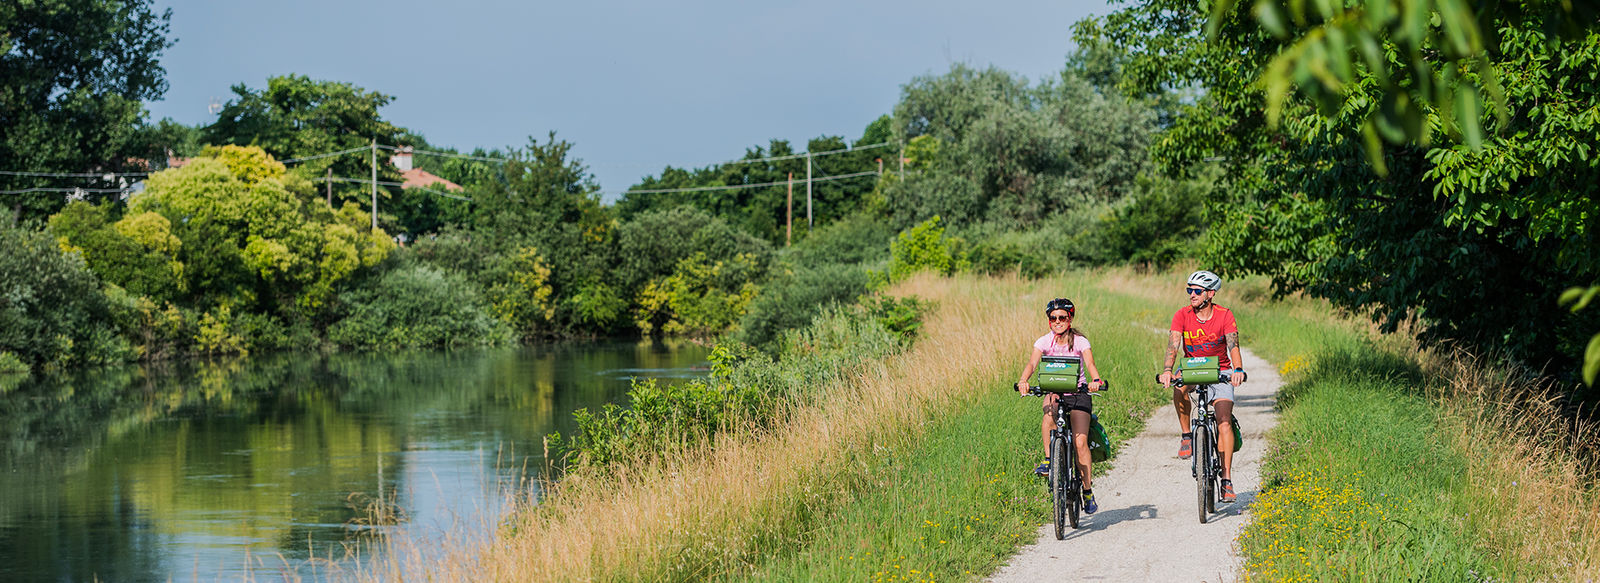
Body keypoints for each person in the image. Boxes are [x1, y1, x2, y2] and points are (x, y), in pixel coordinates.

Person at [1157, 270, 1245, 503]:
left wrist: (1237, 369)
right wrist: (1168, 370)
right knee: (1179, 387)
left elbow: (1233, 345)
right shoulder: (1182, 315)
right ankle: (1187, 435)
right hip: (1192, 367)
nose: (1191, 295)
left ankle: (1226, 480)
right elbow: (1173, 345)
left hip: (1221, 370)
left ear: (1210, 293)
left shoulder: (1225, 315)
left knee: (1224, 420)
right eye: (1189, 290)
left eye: (1196, 291)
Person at [1016, 298, 1105, 514]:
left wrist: (1096, 381)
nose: (1057, 321)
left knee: (1080, 442)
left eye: (1062, 317)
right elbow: (1032, 363)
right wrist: (1023, 380)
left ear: (1070, 318)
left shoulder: (1080, 341)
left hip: (1078, 393)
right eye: (1052, 318)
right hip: (1055, 391)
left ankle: (1087, 490)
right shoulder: (1044, 342)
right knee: (1048, 414)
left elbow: (1090, 363)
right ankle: (1049, 460)